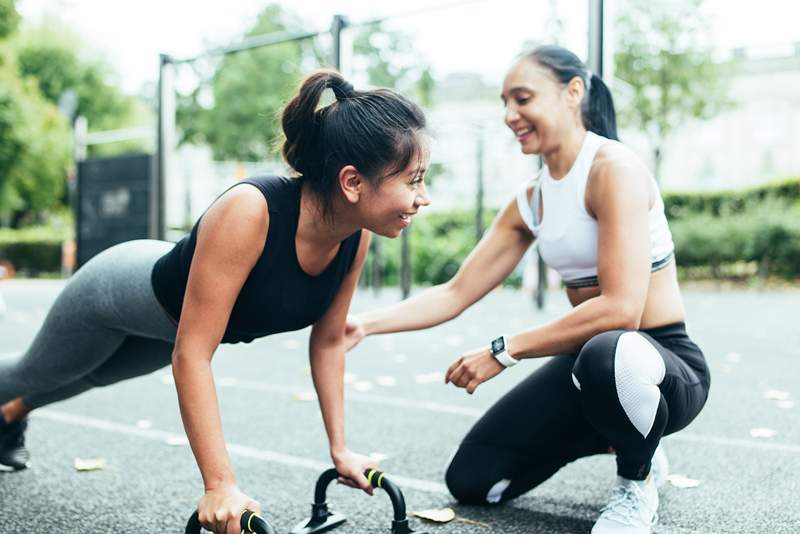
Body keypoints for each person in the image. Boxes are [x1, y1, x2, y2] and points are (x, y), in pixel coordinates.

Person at [0, 69, 431, 534]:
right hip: (115, 292)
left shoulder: (353, 238)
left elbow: (327, 342)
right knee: (37, 372)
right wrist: (219, 484)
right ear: (352, 182)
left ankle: (9, 416)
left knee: (95, 375)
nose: (423, 198)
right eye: (413, 181)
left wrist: (340, 449)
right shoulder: (250, 211)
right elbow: (193, 353)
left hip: (171, 324)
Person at [345, 45, 710, 534]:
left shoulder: (613, 169)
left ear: (572, 93)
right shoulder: (532, 199)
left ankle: (635, 479)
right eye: (504, 102)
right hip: (588, 366)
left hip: (661, 362)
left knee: (608, 355)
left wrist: (504, 351)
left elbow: (622, 309)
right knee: (473, 480)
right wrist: (364, 324)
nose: (509, 115)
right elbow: (456, 292)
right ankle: (623, 430)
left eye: (522, 98)